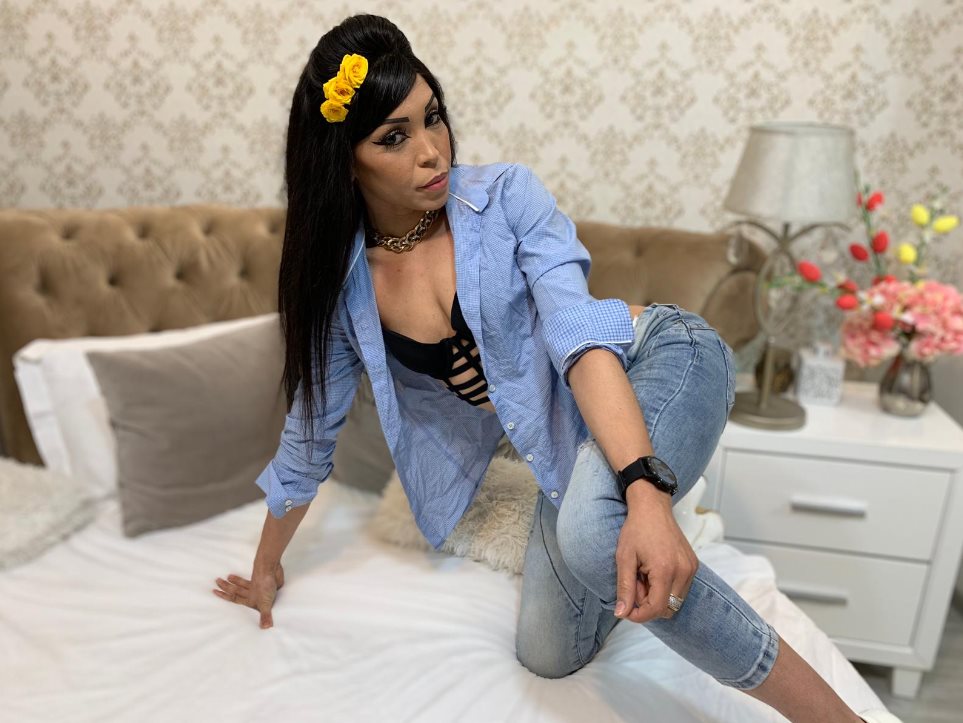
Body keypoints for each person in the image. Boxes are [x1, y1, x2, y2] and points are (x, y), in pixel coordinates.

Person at [212, 13, 896, 723]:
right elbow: (309, 436)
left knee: (593, 534)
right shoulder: (346, 285)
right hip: (565, 443)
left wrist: (644, 492)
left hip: (661, 356)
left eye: (432, 117)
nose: (431, 150)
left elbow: (580, 341)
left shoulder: (506, 198)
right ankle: (616, 515)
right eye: (394, 136)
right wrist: (265, 568)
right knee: (546, 652)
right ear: (343, 159)